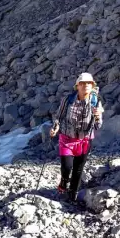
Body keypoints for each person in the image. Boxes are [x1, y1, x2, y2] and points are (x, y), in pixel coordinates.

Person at [49, 72, 103, 202]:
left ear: (92, 86)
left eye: (89, 83)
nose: (86, 85)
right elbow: (59, 116)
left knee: (78, 169)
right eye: (82, 83)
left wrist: (97, 116)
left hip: (85, 140)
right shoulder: (68, 100)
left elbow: (98, 126)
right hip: (67, 138)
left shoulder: (96, 102)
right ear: (77, 86)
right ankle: (64, 181)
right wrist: (55, 127)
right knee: (67, 167)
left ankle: (73, 193)